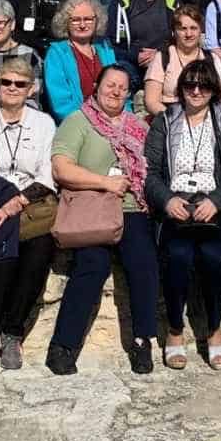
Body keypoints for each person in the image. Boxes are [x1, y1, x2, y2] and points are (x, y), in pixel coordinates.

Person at [47, 64, 161, 376]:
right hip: (92, 207)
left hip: (131, 207)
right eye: (109, 85)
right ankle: (63, 346)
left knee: (143, 262)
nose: (115, 91)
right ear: (96, 85)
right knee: (92, 266)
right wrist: (105, 181)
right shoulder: (78, 122)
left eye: (122, 88)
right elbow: (62, 169)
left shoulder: (138, 127)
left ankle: (142, 340)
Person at [144, 60, 221, 370]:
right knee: (177, 257)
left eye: (203, 85)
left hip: (213, 209)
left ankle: (214, 330)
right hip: (176, 207)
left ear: (213, 90)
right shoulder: (163, 123)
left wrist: (216, 201)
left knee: (214, 259)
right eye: (189, 84)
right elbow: (149, 171)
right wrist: (166, 200)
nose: (195, 90)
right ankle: (175, 330)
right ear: (180, 88)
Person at [0, 56, 59, 373]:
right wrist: (2, 205)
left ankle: (13, 332)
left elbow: (47, 175)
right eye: (6, 82)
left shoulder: (43, 123)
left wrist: (16, 202)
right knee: (2, 261)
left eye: (20, 83)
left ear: (31, 89)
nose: (13, 88)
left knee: (38, 255)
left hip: (31, 207)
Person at [43, 0, 120, 122]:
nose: (83, 25)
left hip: (111, 120)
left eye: (88, 19)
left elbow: (120, 86)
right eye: (75, 20)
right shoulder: (57, 53)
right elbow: (61, 104)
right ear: (65, 23)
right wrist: (94, 123)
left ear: (97, 21)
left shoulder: (105, 49)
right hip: (78, 123)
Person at [108, 0, 176, 92]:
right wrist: (135, 55)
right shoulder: (121, 3)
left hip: (164, 61)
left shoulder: (173, 4)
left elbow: (182, 42)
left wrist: (160, 54)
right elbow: (109, 45)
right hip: (130, 63)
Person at [145, 4, 221, 116]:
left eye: (193, 28)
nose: (188, 34)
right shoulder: (162, 58)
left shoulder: (211, 59)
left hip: (205, 117)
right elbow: (151, 102)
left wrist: (211, 116)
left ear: (200, 31)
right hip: (170, 117)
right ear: (174, 32)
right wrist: (177, 120)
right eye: (183, 29)